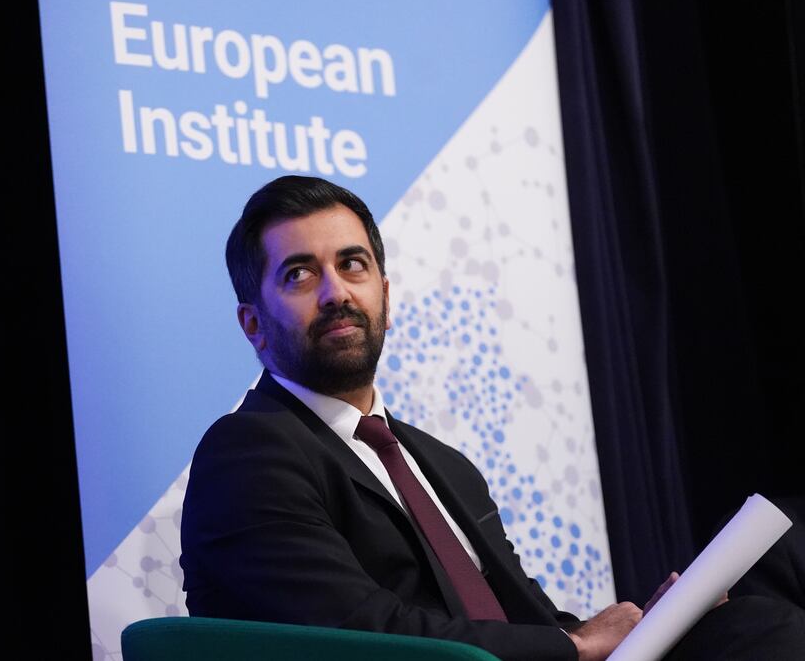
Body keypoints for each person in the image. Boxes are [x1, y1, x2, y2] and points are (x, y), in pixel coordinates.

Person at [179, 175, 804, 661]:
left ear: (386, 298)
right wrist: (575, 646)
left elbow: (530, 624)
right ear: (253, 324)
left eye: (353, 264)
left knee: (765, 590)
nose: (335, 291)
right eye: (298, 274)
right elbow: (361, 634)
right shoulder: (250, 453)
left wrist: (652, 624)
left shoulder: (442, 465)